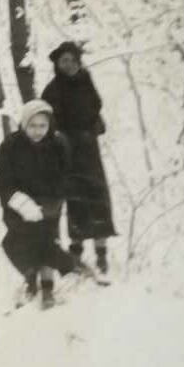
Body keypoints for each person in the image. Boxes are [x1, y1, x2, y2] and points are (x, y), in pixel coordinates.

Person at [0, 99, 81, 310]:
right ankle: (34, 277)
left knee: (46, 240)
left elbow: (67, 176)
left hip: (48, 204)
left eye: (42, 126)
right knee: (12, 243)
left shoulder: (58, 145)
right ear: (23, 124)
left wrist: (54, 201)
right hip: (18, 205)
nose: (37, 131)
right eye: (32, 126)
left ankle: (47, 289)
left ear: (49, 125)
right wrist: (21, 203)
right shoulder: (11, 145)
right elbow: (2, 180)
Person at [41, 41, 116, 276]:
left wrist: (95, 124)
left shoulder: (86, 81)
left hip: (90, 151)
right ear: (57, 63)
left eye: (73, 60)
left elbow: (95, 108)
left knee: (98, 197)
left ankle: (102, 253)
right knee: (76, 201)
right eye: (64, 60)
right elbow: (48, 123)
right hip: (68, 154)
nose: (70, 64)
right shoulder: (52, 90)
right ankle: (76, 253)